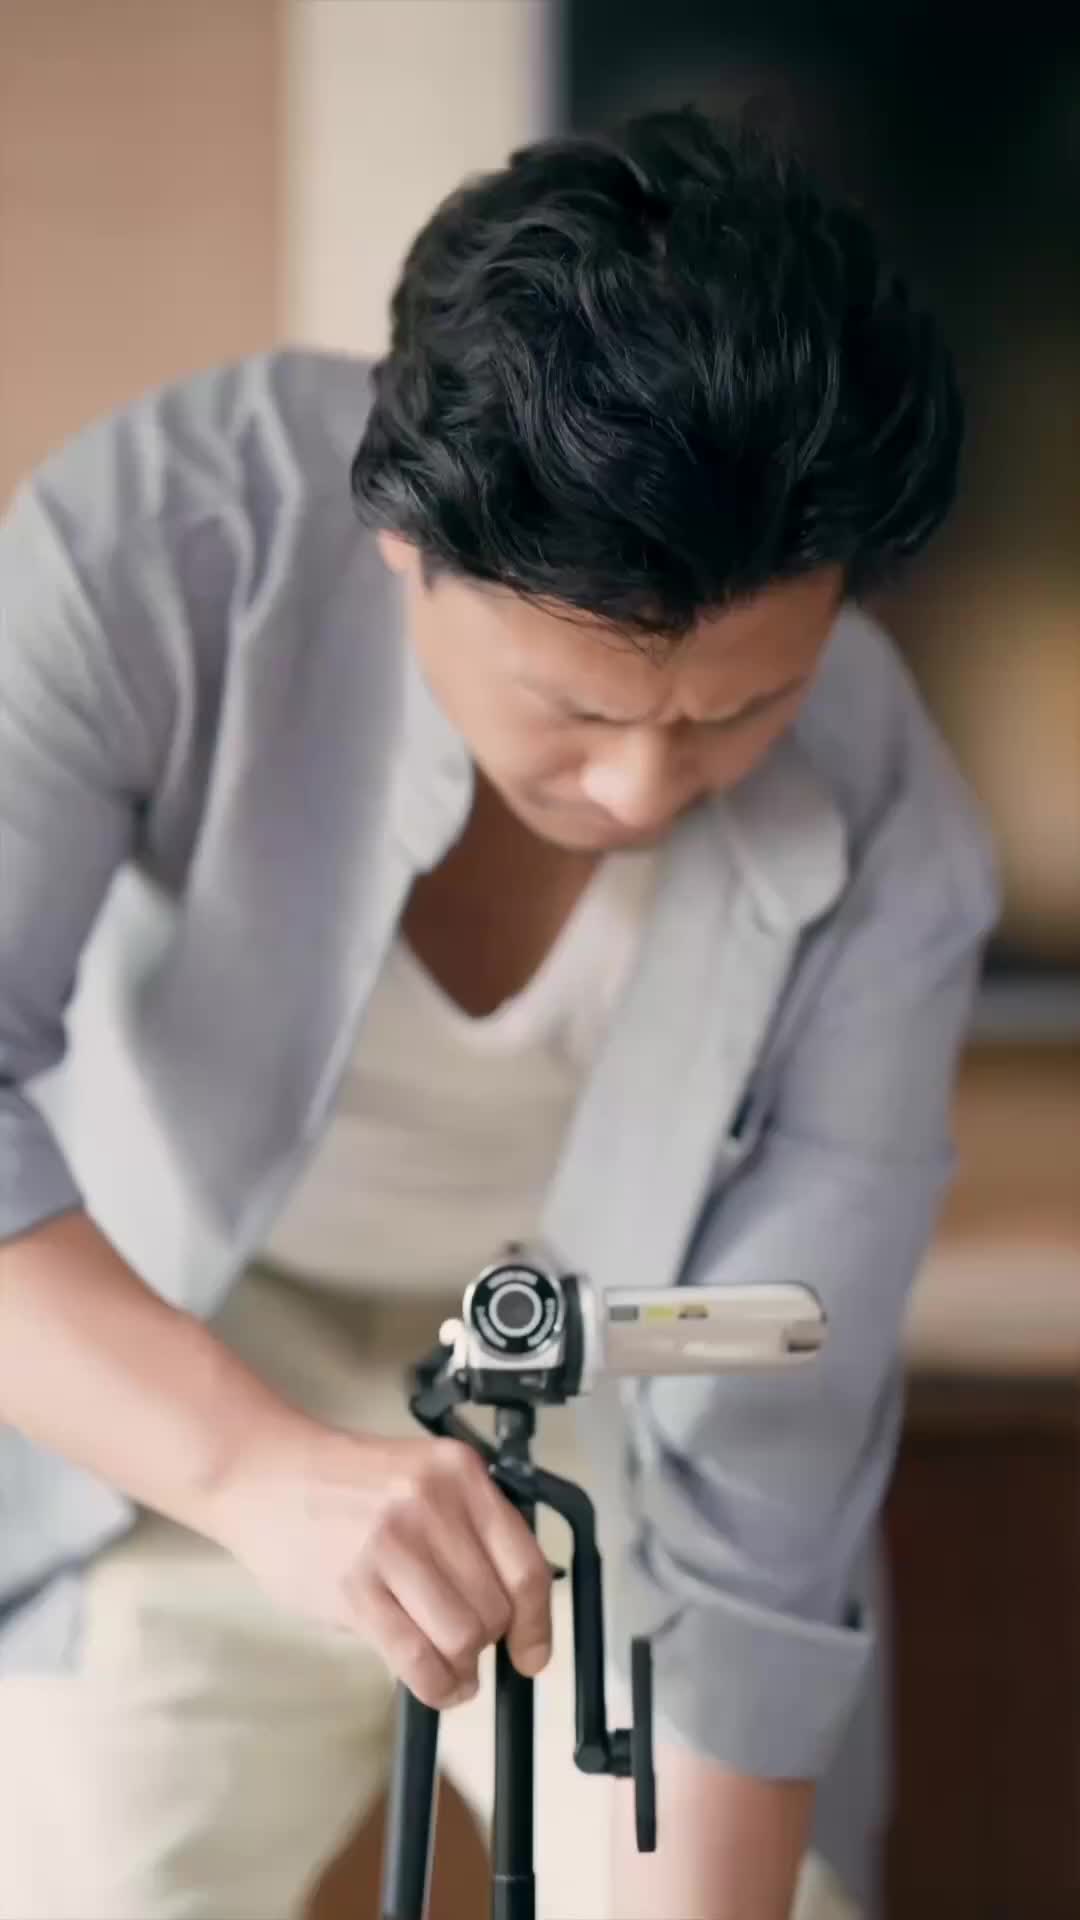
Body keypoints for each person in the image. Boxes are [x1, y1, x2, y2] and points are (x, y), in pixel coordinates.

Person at [0, 106, 997, 1920]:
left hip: (630, 1401)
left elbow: (784, 1407)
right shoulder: (158, 544)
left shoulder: (896, 825)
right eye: (577, 708)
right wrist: (257, 1472)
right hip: (179, 1346)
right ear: (404, 545)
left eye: (734, 713)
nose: (641, 791)